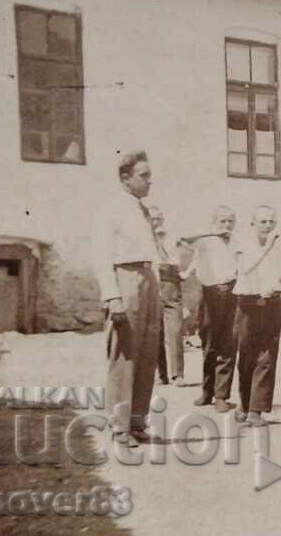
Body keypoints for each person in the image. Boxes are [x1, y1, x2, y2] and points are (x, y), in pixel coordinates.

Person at [91, 151, 162, 447]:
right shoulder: (112, 209)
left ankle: (137, 422)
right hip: (126, 278)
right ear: (125, 178)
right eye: (143, 176)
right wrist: (112, 295)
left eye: (149, 175)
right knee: (124, 355)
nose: (149, 181)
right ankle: (119, 427)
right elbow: (100, 254)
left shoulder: (142, 210)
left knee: (147, 353)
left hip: (148, 279)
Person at [231, 205, 281, 427]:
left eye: (271, 222)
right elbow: (245, 268)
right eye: (263, 222)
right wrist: (267, 247)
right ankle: (244, 404)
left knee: (266, 356)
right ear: (253, 224)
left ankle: (256, 409)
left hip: (271, 304)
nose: (268, 226)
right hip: (247, 304)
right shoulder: (242, 244)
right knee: (246, 355)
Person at [180, 205, 240, 411]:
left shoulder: (238, 242)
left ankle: (222, 395)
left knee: (228, 343)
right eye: (222, 221)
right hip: (210, 295)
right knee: (208, 342)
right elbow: (184, 238)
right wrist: (212, 233)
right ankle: (207, 391)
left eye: (231, 220)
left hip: (232, 293)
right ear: (214, 223)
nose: (227, 225)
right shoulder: (205, 241)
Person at [147, 203, 191, 388]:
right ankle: (161, 374)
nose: (156, 221)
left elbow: (193, 250)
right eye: (152, 218)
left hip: (171, 282)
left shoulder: (173, 237)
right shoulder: (143, 238)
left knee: (175, 330)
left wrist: (187, 272)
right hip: (151, 281)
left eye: (159, 218)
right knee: (154, 331)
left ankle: (177, 374)